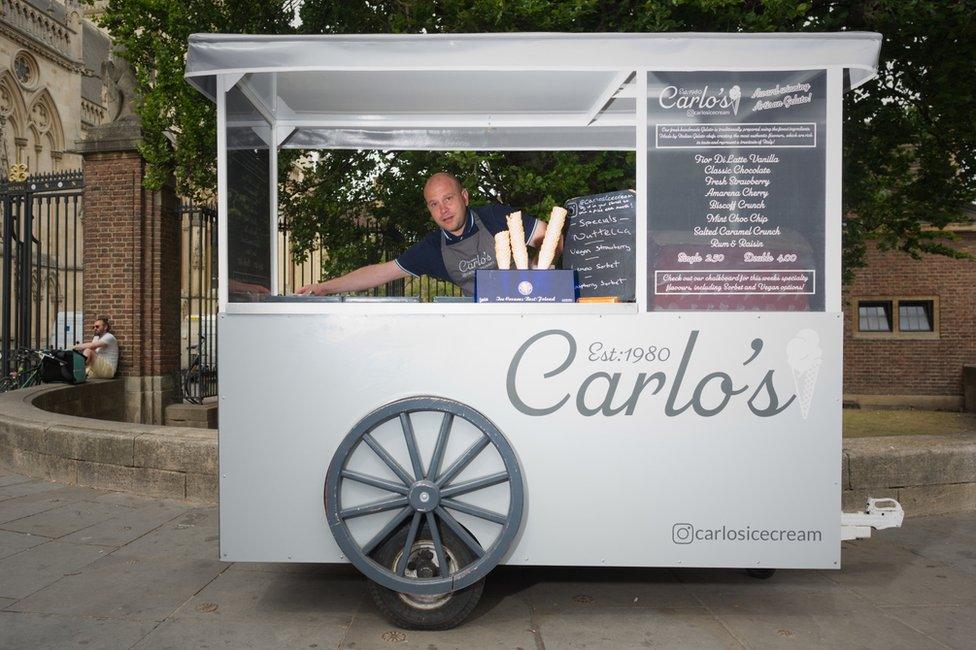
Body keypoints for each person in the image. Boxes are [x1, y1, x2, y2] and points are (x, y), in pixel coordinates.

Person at [297, 172, 551, 297]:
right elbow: (379, 273)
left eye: (448, 199)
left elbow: (549, 237)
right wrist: (323, 288)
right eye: (434, 204)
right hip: (480, 324)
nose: (443, 210)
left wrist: (536, 268)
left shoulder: (495, 218)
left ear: (464, 197)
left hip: (531, 305)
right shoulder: (431, 250)